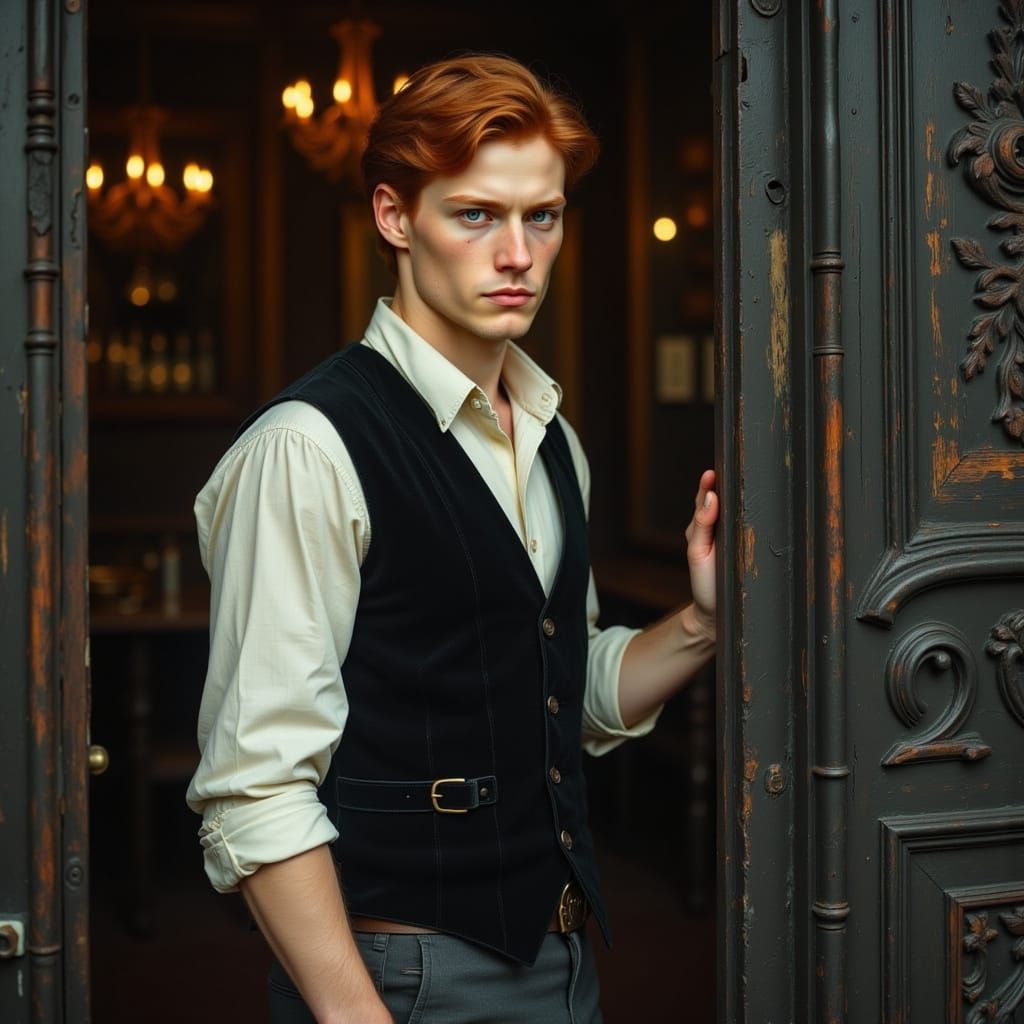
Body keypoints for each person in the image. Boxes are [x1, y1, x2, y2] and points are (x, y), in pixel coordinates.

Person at [186, 54, 718, 1024]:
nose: (516, 253)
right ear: (395, 217)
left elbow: (563, 697)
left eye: (541, 216)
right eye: (474, 214)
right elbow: (254, 789)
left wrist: (700, 621)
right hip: (399, 980)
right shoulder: (307, 447)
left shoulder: (555, 435)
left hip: (562, 963)